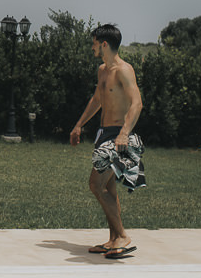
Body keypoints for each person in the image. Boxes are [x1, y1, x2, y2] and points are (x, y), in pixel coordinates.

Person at [70, 24, 144, 260]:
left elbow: (137, 103)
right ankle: (114, 240)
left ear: (104, 44)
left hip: (118, 136)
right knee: (108, 188)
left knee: (96, 184)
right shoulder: (102, 70)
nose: (92, 47)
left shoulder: (124, 70)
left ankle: (122, 236)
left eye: (94, 43)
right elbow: (97, 99)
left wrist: (124, 133)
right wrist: (79, 124)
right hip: (104, 134)